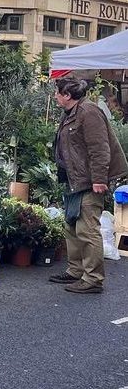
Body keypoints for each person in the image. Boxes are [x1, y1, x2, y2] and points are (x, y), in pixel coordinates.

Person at [52, 76, 128, 293]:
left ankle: (93, 279)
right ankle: (76, 271)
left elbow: (100, 149)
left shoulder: (88, 112)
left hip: (88, 180)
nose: (55, 96)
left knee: (87, 228)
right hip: (75, 179)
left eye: (58, 92)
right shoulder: (71, 112)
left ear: (67, 95)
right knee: (72, 225)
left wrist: (99, 180)